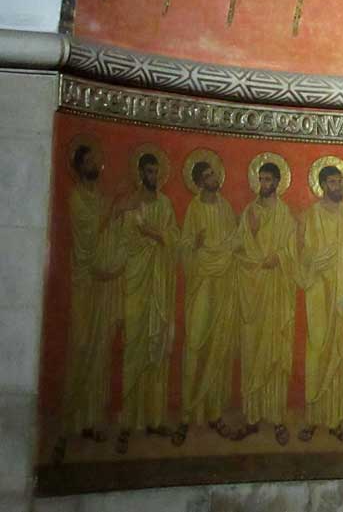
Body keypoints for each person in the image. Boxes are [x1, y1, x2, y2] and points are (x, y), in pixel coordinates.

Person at [53, 142, 125, 463]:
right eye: (90, 161)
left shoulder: (101, 198)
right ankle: (69, 424)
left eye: (97, 159)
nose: (96, 164)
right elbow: (87, 235)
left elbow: (113, 232)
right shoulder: (77, 198)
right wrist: (113, 210)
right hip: (86, 284)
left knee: (100, 353)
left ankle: (91, 421)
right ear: (80, 166)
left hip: (105, 285)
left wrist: (118, 213)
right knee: (81, 348)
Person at [297, 165, 343, 443]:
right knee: (318, 350)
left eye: (339, 182)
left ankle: (337, 419)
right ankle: (312, 419)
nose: (336, 186)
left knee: (340, 350)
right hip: (318, 293)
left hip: (342, 292)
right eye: (331, 182)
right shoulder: (311, 216)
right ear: (322, 185)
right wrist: (318, 259)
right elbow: (302, 254)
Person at [230, 161, 297, 446]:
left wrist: (279, 257)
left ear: (278, 182)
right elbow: (238, 246)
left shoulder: (285, 214)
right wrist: (254, 233)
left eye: (269, 179)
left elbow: (292, 249)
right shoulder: (250, 212)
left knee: (275, 353)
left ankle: (277, 419)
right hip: (253, 292)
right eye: (261, 179)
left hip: (277, 292)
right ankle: (252, 418)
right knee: (252, 351)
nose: (264, 184)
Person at [118, 151, 179, 455]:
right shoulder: (131, 205)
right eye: (148, 172)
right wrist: (151, 238)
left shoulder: (165, 204)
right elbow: (126, 242)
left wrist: (153, 234)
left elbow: (174, 238)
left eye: (156, 172)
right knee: (134, 348)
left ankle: (155, 419)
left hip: (160, 285)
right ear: (140, 174)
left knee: (158, 352)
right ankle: (128, 423)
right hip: (137, 283)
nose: (153, 176)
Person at [173, 158, 238, 446]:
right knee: (195, 345)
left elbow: (235, 240)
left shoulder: (225, 208)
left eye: (215, 174)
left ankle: (214, 414)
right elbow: (184, 247)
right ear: (200, 182)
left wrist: (232, 246)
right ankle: (186, 416)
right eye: (209, 176)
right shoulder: (194, 209)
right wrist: (196, 245)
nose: (214, 179)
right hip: (201, 285)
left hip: (222, 284)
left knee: (218, 347)